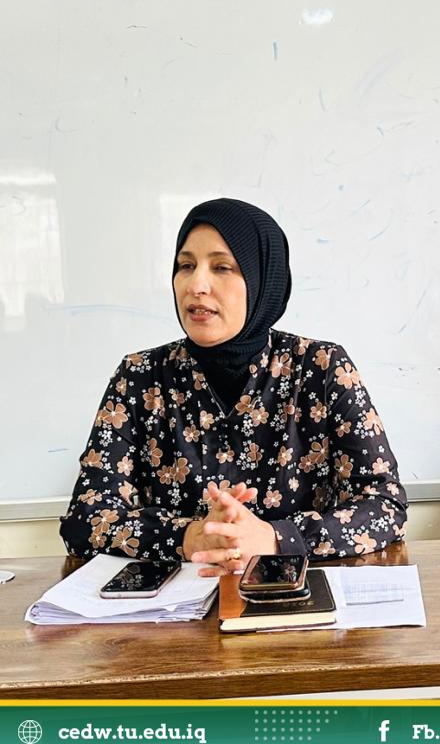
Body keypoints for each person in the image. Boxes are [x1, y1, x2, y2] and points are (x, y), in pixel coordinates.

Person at [61, 198, 408, 574]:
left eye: (222, 267)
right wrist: (190, 537)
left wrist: (275, 539)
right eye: (186, 266)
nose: (196, 285)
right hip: (172, 603)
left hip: (293, 598)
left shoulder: (321, 368)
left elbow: (385, 505)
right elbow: (84, 519)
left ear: (264, 280)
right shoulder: (139, 376)